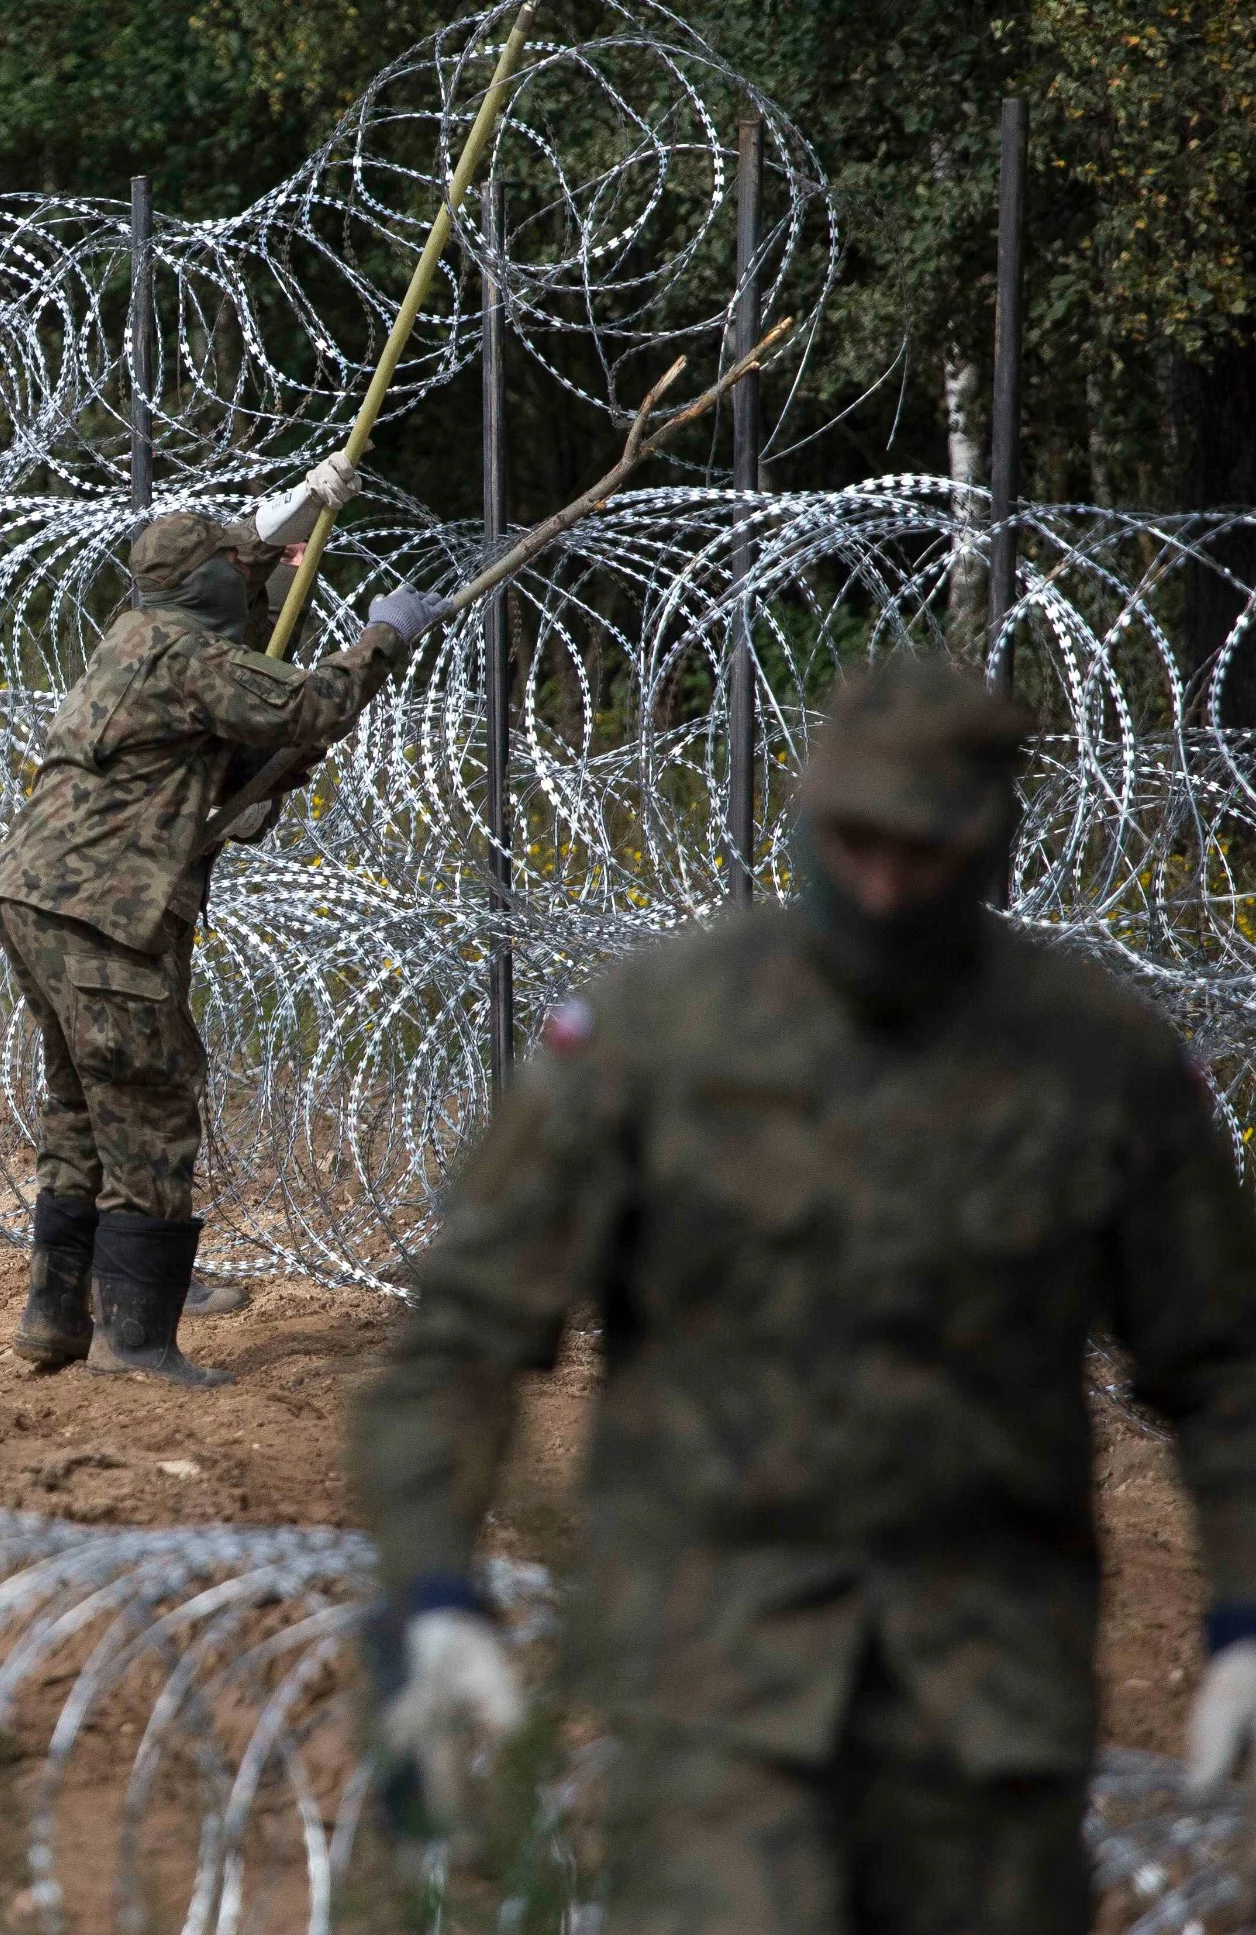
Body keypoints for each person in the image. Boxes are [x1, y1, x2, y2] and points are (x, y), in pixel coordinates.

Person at [350, 657, 1256, 1933]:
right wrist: (432, 1596)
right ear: (805, 820)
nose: (882, 887)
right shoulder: (655, 1035)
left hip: (987, 1703)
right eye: (853, 842)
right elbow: (457, 1340)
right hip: (721, 1686)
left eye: (923, 855)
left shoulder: (1095, 1063)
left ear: (990, 849)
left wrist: (1242, 1610)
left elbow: (1221, 1368)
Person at [0, 458, 428, 1387]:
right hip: (104, 910)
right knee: (148, 1104)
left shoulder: (135, 634)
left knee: (80, 1107)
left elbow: (232, 584)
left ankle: (53, 1319)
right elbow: (309, 707)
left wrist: (305, 504)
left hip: (34, 897)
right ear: (204, 582)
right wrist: (384, 638)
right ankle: (135, 1343)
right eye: (232, 564)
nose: (244, 570)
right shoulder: (190, 657)